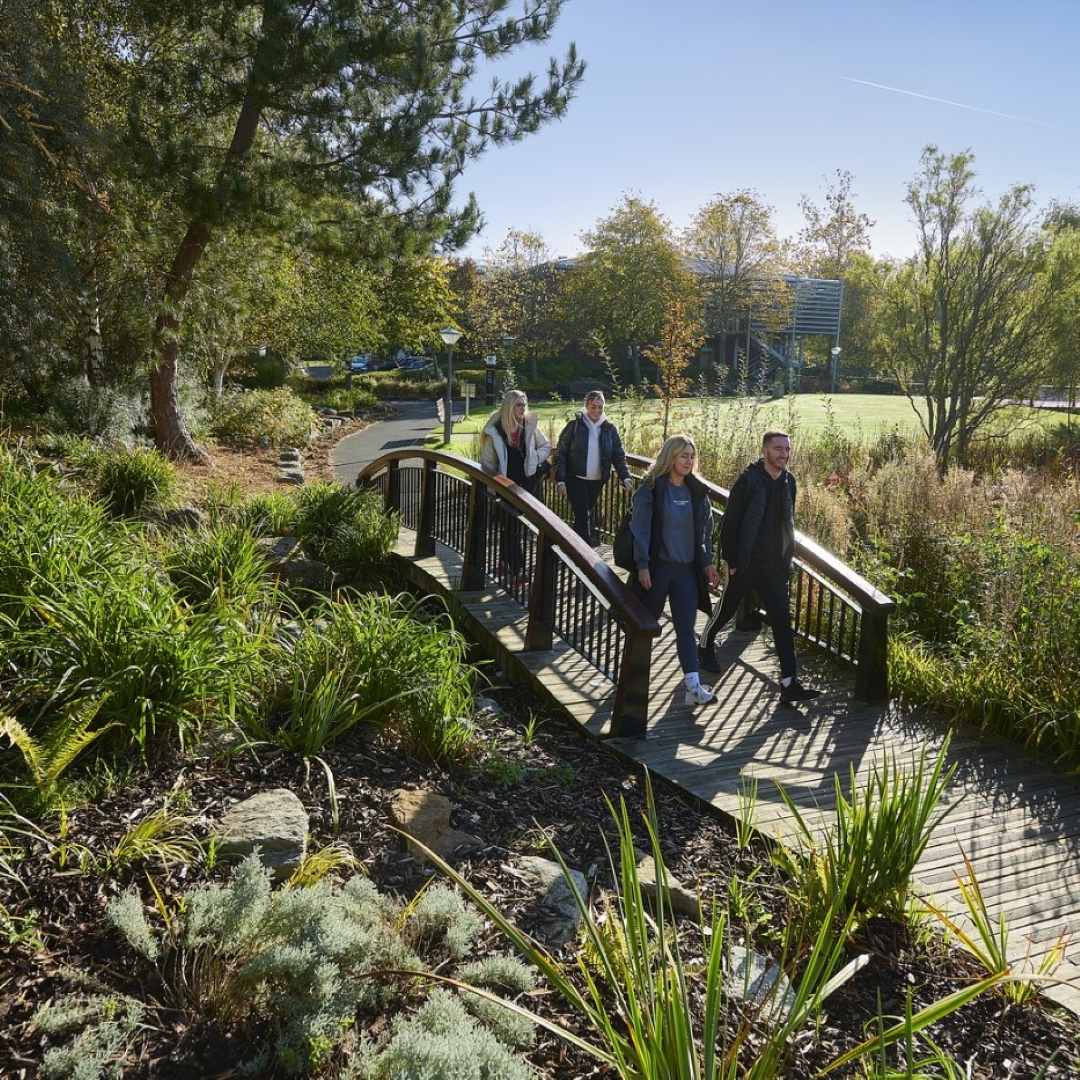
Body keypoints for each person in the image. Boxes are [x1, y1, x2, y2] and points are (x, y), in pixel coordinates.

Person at [699, 430, 821, 705]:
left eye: (787, 449)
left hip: (775, 567)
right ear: (765, 450)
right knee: (727, 609)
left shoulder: (789, 481)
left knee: (781, 621)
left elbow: (788, 522)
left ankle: (790, 682)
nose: (784, 454)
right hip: (745, 564)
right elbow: (730, 522)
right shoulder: (749, 480)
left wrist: (787, 557)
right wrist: (730, 560)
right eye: (778, 449)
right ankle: (705, 645)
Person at [629, 434, 721, 707]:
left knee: (686, 629)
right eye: (683, 456)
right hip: (658, 571)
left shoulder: (696, 492)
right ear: (670, 457)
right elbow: (640, 530)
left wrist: (707, 564)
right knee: (644, 626)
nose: (688, 461)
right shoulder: (651, 489)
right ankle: (630, 681)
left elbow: (704, 533)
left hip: (685, 573)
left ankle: (693, 686)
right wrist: (642, 565)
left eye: (692, 456)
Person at [479, 390, 551, 583]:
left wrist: (535, 459)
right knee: (511, 526)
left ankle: (504, 563)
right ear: (509, 406)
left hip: (527, 484)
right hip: (505, 485)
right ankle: (518, 571)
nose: (522, 408)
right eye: (519, 404)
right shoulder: (496, 430)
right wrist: (492, 485)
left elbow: (545, 446)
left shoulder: (529, 425)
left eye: (524, 404)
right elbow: (487, 463)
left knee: (514, 526)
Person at [555, 391, 633, 545]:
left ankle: (570, 549)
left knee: (583, 517)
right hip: (575, 478)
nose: (597, 411)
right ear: (586, 406)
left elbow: (618, 455)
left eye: (600, 407)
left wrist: (625, 476)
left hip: (597, 481)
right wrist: (560, 480)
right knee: (583, 515)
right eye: (593, 407)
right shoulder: (574, 426)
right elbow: (561, 453)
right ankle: (586, 556)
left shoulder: (609, 429)